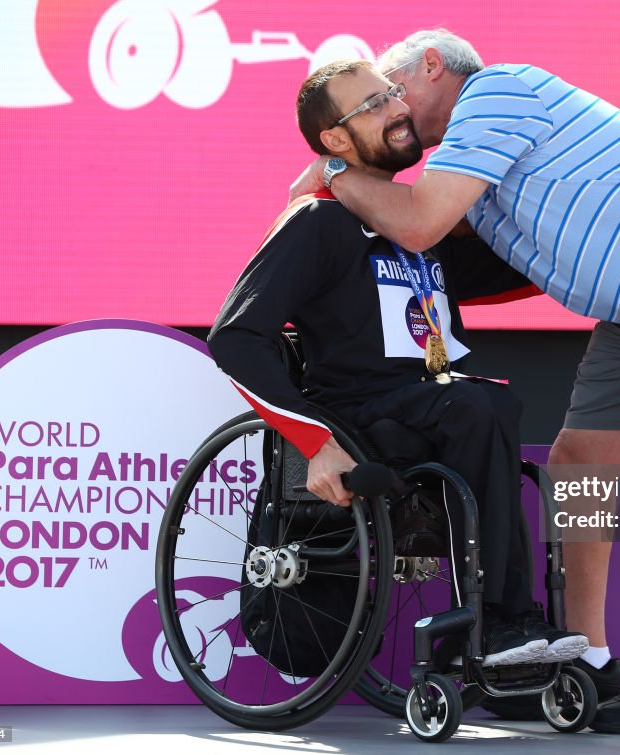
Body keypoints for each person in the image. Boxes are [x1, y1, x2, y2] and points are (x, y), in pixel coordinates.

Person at [288, 31, 620, 734]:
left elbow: (422, 222)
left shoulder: (495, 91)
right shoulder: (477, 177)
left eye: (395, 90)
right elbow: (427, 246)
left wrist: (335, 174)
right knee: (579, 461)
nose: (395, 111)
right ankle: (589, 658)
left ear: (432, 67)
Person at [207, 59, 588, 669]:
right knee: (478, 403)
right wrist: (315, 443)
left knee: (484, 401)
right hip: (362, 416)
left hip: (434, 402)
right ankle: (499, 627)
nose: (398, 109)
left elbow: (530, 266)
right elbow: (236, 337)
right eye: (374, 105)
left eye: (393, 94)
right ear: (334, 140)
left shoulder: (418, 225)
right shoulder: (317, 221)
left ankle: (516, 641)